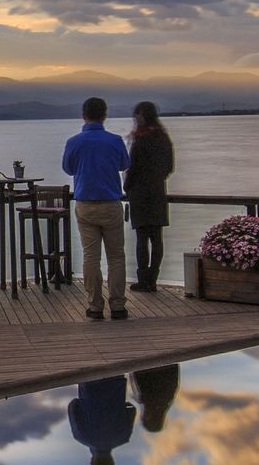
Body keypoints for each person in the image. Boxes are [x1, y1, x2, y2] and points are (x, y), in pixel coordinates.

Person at [60, 96, 129, 320]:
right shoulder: (116, 141)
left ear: (84, 115)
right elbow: (124, 164)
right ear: (104, 115)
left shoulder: (74, 142)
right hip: (111, 203)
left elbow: (68, 169)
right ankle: (118, 305)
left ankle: (95, 306)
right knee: (116, 256)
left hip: (86, 204)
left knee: (91, 257)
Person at [124, 100, 175, 292]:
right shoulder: (163, 138)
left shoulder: (140, 139)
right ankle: (153, 278)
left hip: (139, 193)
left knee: (142, 238)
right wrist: (157, 179)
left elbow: (133, 168)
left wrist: (127, 187)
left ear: (142, 116)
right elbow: (169, 167)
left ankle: (143, 278)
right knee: (157, 237)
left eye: (137, 115)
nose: (135, 118)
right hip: (157, 192)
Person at [68, 375, 134, 465]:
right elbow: (73, 405)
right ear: (92, 463)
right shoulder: (81, 437)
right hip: (88, 382)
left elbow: (131, 408)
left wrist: (121, 406)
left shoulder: (123, 437)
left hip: (116, 380)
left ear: (112, 462)